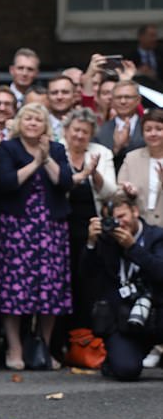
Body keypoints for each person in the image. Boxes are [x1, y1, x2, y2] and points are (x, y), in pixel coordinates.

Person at [0, 102, 74, 370]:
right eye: (27, 118)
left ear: (45, 125)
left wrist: (47, 158)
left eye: (38, 119)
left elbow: (64, 182)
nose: (32, 123)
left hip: (50, 229)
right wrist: (35, 163)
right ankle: (15, 348)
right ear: (19, 122)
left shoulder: (57, 149)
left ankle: (44, 345)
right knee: (14, 289)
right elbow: (6, 183)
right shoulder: (9, 148)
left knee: (49, 289)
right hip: (18, 228)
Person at [81, 191, 163, 380]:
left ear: (135, 211)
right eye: (111, 219)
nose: (119, 223)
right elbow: (86, 276)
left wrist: (133, 248)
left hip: (157, 312)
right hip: (123, 318)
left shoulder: (156, 236)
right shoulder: (105, 240)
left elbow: (160, 272)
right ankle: (118, 356)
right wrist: (91, 243)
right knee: (126, 370)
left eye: (121, 216)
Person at [63, 107, 117, 332]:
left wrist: (93, 173)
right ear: (66, 131)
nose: (79, 136)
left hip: (90, 229)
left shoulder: (101, 152)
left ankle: (88, 336)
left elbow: (110, 192)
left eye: (84, 132)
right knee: (65, 283)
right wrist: (80, 176)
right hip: (61, 226)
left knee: (88, 281)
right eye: (75, 130)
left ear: (91, 133)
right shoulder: (56, 151)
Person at [95, 80, 145, 170]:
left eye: (128, 97)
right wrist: (116, 148)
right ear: (112, 100)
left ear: (138, 100)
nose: (123, 101)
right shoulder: (99, 131)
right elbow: (97, 166)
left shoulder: (149, 128)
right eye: (118, 97)